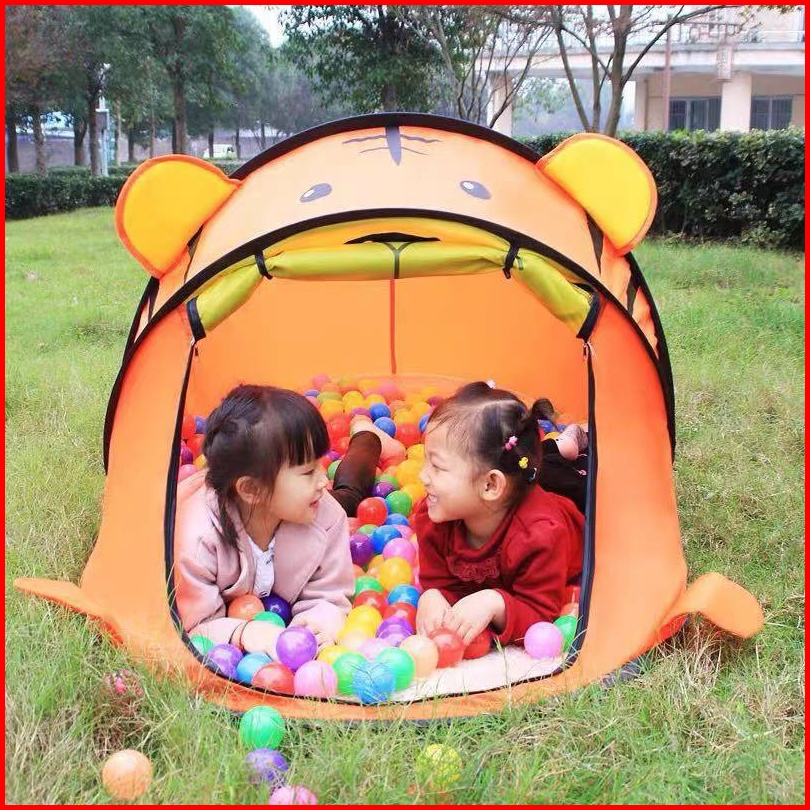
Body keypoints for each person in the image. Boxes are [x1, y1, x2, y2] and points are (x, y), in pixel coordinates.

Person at [174, 384, 405, 655]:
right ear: (251, 489)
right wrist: (242, 633)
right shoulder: (195, 539)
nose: (323, 479)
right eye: (308, 471)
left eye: (320, 464)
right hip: (264, 504)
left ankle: (368, 436)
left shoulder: (326, 514)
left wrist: (321, 621)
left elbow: (329, 594)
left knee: (349, 496)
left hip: (293, 508)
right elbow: (193, 626)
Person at [414, 381, 585, 648]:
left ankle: (572, 442)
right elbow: (443, 584)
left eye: (437, 466)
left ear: (490, 485)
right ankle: (558, 447)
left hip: (570, 499)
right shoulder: (433, 518)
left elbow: (541, 614)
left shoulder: (541, 534)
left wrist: (496, 603)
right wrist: (433, 596)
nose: (422, 476)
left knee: (572, 475)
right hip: (518, 483)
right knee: (536, 466)